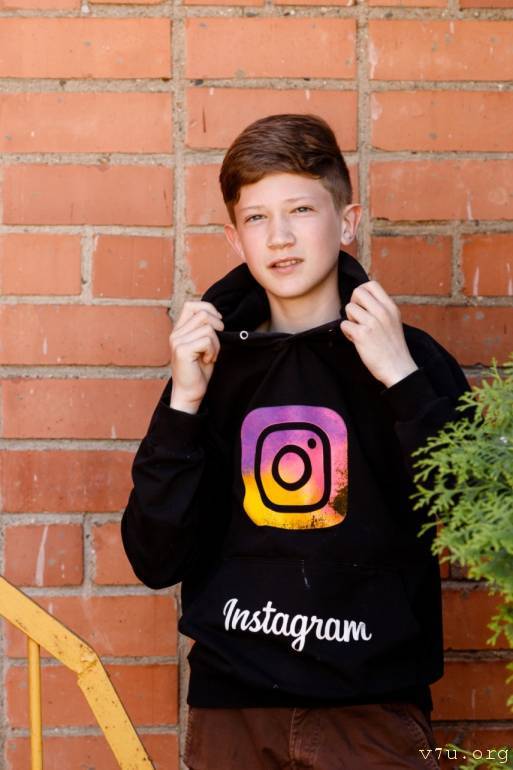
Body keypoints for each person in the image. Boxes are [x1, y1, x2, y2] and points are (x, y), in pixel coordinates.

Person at [121, 114, 469, 770]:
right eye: (256, 218)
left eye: (301, 210)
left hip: (371, 708)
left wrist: (400, 378)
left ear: (346, 221)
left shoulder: (412, 360)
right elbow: (154, 557)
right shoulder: (211, 369)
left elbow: (471, 521)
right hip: (233, 711)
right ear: (234, 238)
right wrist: (185, 403)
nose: (279, 236)